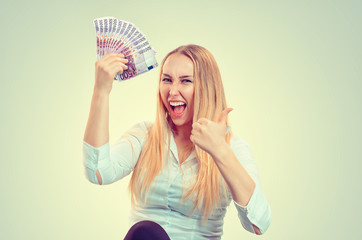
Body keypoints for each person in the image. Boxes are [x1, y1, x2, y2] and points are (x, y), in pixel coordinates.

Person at [83, 44, 271, 239]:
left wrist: (220, 150)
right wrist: (100, 91)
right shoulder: (144, 135)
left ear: (207, 88)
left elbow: (259, 224)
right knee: (145, 231)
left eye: (185, 81)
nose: (173, 91)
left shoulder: (232, 149)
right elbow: (97, 171)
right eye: (167, 80)